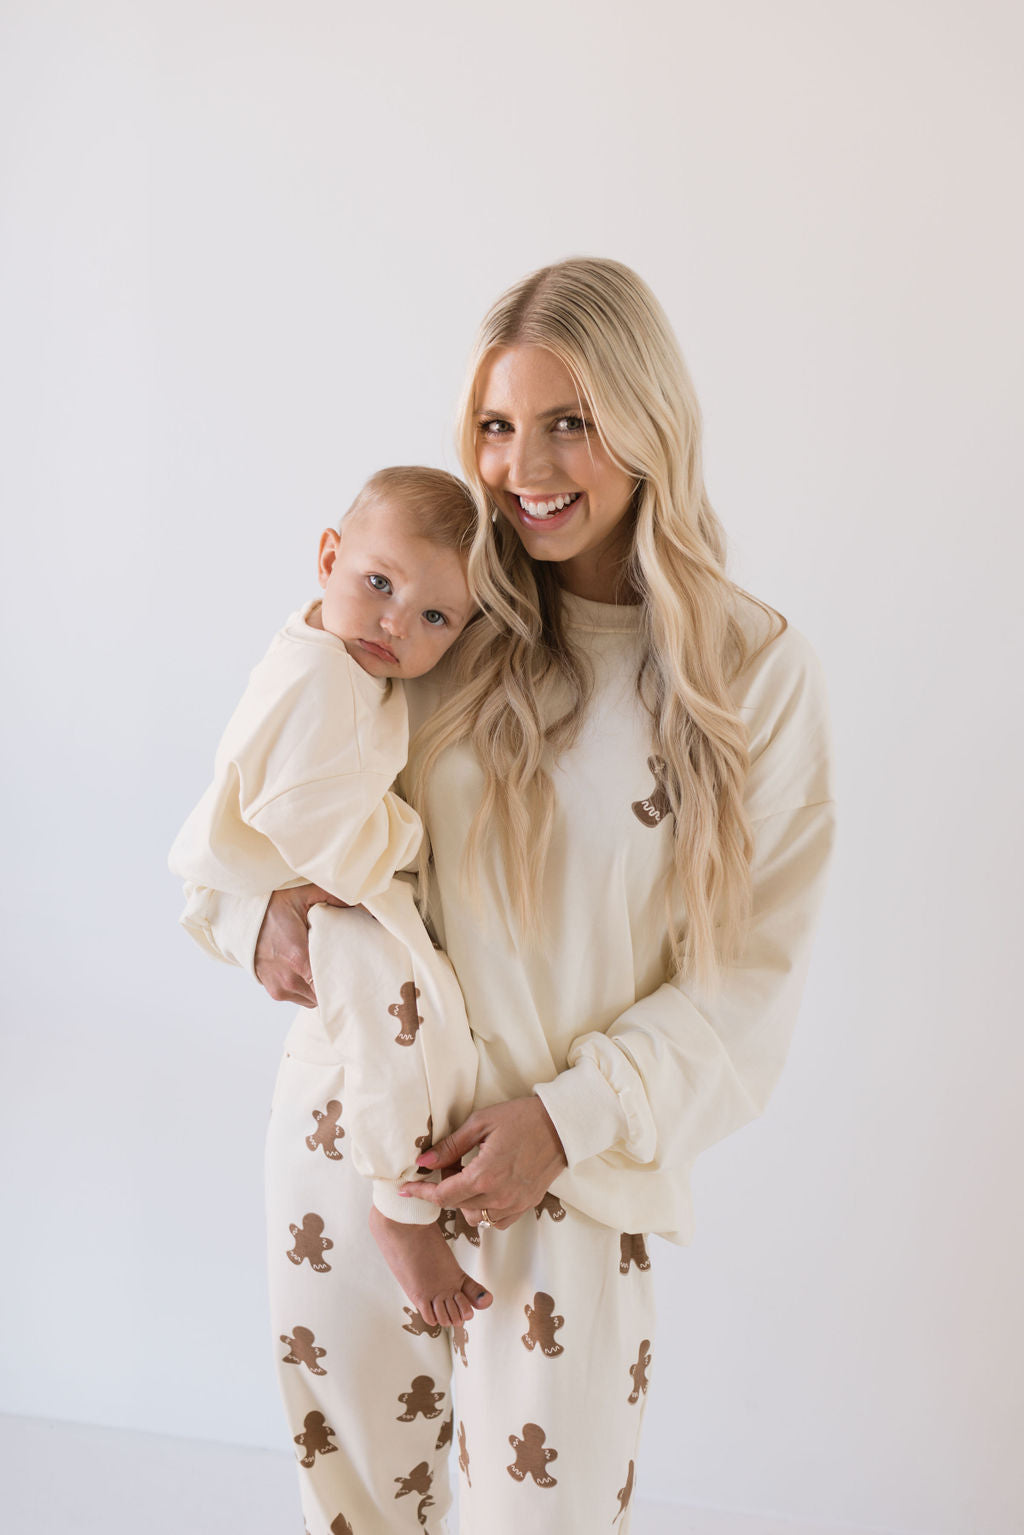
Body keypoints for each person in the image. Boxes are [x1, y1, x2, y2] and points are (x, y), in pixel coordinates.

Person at [180, 258, 835, 1535]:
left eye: (568, 422)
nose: (522, 464)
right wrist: (249, 915)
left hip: (561, 1181)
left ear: (646, 425)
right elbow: (242, 811)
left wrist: (565, 1115)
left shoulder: (751, 672)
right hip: (349, 1147)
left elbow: (748, 982)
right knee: (358, 1513)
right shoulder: (426, 612)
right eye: (495, 424)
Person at [170, 466, 492, 1327]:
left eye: (434, 617)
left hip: (278, 881)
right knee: (400, 1016)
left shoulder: (336, 653)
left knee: (412, 1019)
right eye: (379, 585)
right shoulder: (325, 682)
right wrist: (409, 844)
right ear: (327, 556)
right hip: (290, 889)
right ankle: (401, 1203)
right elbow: (312, 823)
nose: (395, 623)